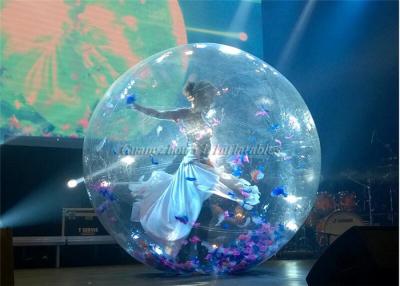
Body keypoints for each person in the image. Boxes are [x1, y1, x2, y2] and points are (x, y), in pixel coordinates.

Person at [127, 80, 260, 252]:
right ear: (198, 97)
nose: (210, 101)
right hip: (194, 164)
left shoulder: (205, 116)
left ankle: (197, 250)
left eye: (211, 98)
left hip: (204, 164)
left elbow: (206, 143)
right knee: (196, 209)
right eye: (208, 97)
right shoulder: (186, 113)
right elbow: (159, 114)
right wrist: (138, 107)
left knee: (202, 209)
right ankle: (190, 250)